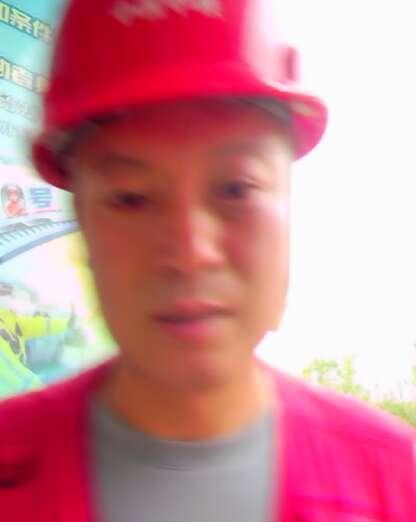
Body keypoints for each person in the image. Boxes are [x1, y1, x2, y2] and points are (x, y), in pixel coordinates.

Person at [0, 0, 415, 521]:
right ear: (80, 219)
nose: (191, 253)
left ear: (289, 202)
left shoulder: (396, 485)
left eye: (236, 188)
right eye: (131, 197)